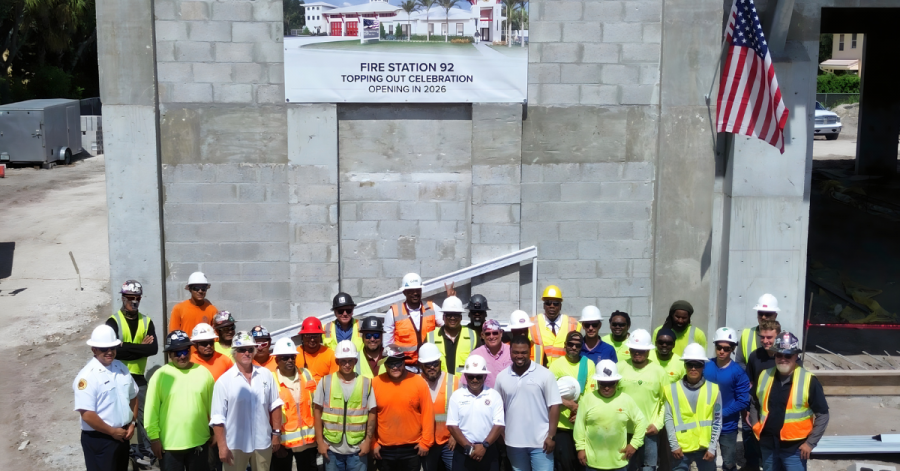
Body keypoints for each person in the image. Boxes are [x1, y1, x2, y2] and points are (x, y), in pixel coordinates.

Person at [748, 332, 828, 471]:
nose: (783, 359)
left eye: (788, 355)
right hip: (768, 445)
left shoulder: (809, 381)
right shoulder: (765, 375)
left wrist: (810, 443)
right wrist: (756, 426)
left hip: (794, 449)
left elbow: (823, 414)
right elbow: (755, 402)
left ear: (796, 356)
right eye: (779, 355)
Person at [210, 332, 284, 471]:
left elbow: (275, 405)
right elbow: (218, 418)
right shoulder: (223, 381)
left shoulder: (266, 375)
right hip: (234, 445)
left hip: (262, 442)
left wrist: (276, 434)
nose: (246, 353)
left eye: (250, 349)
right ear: (234, 352)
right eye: (241, 349)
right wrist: (222, 447)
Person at [105, 280, 158, 466]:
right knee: (117, 416)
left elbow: (153, 349)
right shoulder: (113, 322)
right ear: (123, 297)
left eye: (137, 298)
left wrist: (125, 347)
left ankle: (147, 452)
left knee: (145, 416)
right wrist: (139, 347)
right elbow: (112, 351)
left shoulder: (147, 321)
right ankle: (119, 453)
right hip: (117, 376)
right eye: (130, 298)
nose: (134, 302)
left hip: (137, 377)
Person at [145, 331, 215, 471]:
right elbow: (151, 409)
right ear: (169, 354)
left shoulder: (204, 372)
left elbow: (213, 407)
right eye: (177, 353)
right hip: (169, 445)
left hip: (199, 441)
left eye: (185, 351)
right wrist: (154, 438)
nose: (182, 356)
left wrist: (215, 432)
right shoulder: (160, 375)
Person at [74, 325, 139, 471]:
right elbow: (87, 415)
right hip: (100, 440)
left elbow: (133, 396)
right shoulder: (87, 377)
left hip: (122, 436)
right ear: (94, 349)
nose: (109, 352)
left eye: (113, 348)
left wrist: (132, 423)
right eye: (104, 349)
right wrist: (112, 432)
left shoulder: (121, 367)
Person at [494, 336, 562, 471]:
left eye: (524, 352)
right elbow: (498, 408)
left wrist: (551, 436)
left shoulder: (545, 374)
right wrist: (501, 434)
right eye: (516, 352)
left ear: (529, 352)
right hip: (513, 443)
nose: (520, 356)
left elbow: (554, 405)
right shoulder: (502, 377)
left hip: (541, 443)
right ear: (510, 352)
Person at [574, 360, 647, 471]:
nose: (606, 387)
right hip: (592, 462)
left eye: (610, 383)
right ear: (597, 381)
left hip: (619, 463)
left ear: (617, 382)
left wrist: (634, 444)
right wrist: (580, 449)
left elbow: (641, 421)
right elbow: (579, 426)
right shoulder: (587, 399)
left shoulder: (626, 399)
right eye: (603, 383)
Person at [314, 340, 376, 471]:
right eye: (343, 361)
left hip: (357, 449)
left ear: (355, 361)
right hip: (332, 449)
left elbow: (372, 413)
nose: (347, 365)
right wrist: (320, 442)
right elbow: (317, 411)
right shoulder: (325, 382)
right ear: (337, 362)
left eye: (350, 361)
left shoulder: (366, 383)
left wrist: (367, 442)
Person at [371, 344, 435, 470]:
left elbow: (427, 413)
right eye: (391, 364)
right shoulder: (375, 383)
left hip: (412, 449)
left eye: (398, 363)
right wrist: (372, 443)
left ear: (404, 362)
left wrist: (426, 442)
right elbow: (369, 417)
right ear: (384, 365)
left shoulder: (418, 382)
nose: (395, 367)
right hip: (384, 450)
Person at [663, 343, 723, 471]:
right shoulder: (671, 390)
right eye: (690, 364)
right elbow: (668, 419)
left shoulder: (713, 389)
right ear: (684, 365)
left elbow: (717, 420)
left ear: (703, 366)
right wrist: (674, 445)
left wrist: (712, 447)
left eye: (698, 364)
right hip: (681, 448)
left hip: (705, 448)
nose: (694, 368)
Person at [616, 329, 666, 471]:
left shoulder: (659, 372)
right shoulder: (619, 368)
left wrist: (657, 424)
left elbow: (666, 402)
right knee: (623, 467)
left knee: (648, 468)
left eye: (641, 350)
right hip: (623, 431)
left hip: (648, 432)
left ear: (649, 351)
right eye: (634, 349)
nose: (637, 353)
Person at [447, 355, 505, 471]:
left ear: (485, 376)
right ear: (465, 376)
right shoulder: (456, 396)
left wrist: (484, 446)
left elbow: (498, 425)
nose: (474, 380)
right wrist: (468, 448)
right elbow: (452, 426)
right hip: (463, 450)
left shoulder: (494, 395)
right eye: (471, 376)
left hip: (488, 450)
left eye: (478, 377)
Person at [703, 328, 750, 471]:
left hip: (727, 426)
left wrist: (720, 414)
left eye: (726, 348)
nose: (722, 351)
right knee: (707, 460)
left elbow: (743, 400)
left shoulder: (738, 372)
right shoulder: (705, 366)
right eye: (719, 347)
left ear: (733, 349)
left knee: (728, 462)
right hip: (706, 424)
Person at [741, 320, 785, 471]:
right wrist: (747, 408)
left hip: (781, 411)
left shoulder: (786, 357)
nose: (765, 341)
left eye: (769, 337)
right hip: (759, 409)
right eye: (762, 337)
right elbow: (749, 384)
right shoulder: (755, 356)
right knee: (757, 443)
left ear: (777, 336)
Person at [549, 332, 595, 471]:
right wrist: (568, 403)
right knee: (565, 465)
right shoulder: (556, 365)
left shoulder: (588, 364)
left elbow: (590, 394)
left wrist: (580, 411)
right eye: (570, 344)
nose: (574, 347)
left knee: (583, 464)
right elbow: (548, 392)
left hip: (582, 425)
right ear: (565, 345)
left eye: (577, 345)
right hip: (562, 425)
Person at [270, 337, 317, 471]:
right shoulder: (271, 380)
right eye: (285, 357)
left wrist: (319, 437)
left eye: (292, 357)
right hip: (283, 444)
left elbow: (316, 406)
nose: (290, 360)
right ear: (277, 360)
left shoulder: (306, 374)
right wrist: (275, 442)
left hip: (308, 442)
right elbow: (267, 415)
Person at [384, 273, 443, 368]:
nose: (415, 293)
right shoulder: (393, 313)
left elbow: (447, 327)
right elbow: (387, 344)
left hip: (429, 364)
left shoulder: (432, 308)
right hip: (406, 366)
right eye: (411, 291)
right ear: (404, 292)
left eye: (418, 290)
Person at [419, 343, 459, 471]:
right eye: (427, 364)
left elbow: (463, 412)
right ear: (421, 365)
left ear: (440, 362)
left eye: (435, 363)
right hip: (425, 443)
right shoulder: (415, 382)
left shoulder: (455, 381)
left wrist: (455, 436)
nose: (432, 367)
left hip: (449, 442)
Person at [530, 285, 581, 365]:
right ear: (544, 306)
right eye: (548, 303)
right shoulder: (531, 324)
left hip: (564, 372)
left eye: (556, 303)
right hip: (540, 372)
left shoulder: (573, 324)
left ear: (560, 306)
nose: (552, 306)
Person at [429, 296, 477, 374]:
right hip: (440, 384)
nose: (452, 318)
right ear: (443, 317)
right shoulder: (430, 337)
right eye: (449, 314)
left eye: (456, 315)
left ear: (461, 317)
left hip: (464, 384)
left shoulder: (473, 336)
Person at [737, 294, 781, 369]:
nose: (763, 317)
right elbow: (739, 361)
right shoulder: (746, 334)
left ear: (775, 316)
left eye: (767, 314)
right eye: (760, 313)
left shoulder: (782, 336)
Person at [291, 317, 339, 383]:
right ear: (302, 337)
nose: (312, 339)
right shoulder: (294, 355)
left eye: (315, 335)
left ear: (320, 336)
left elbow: (334, 381)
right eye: (308, 335)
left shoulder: (331, 355)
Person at [468, 319, 512, 389]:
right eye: (488, 334)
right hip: (485, 398)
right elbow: (467, 381)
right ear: (482, 335)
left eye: (495, 333)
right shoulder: (475, 355)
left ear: (501, 333)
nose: (491, 337)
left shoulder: (511, 352)